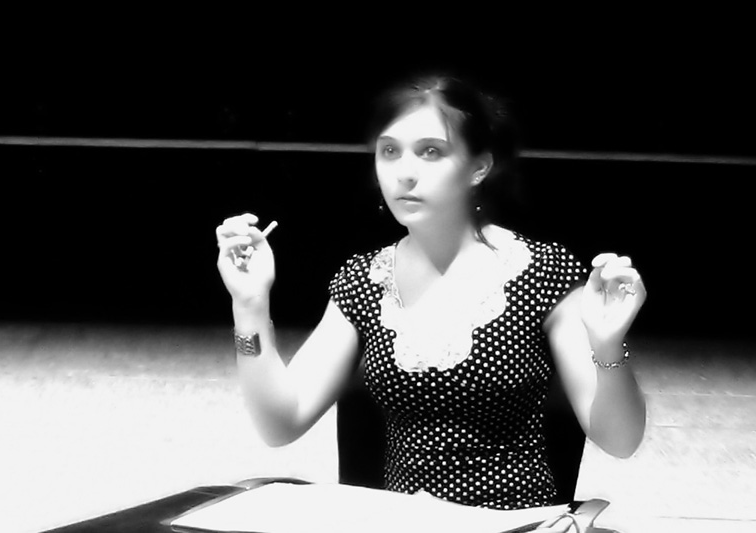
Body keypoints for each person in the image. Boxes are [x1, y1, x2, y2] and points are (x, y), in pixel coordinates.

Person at [215, 73, 647, 511]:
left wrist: (608, 345)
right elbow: (280, 423)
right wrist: (249, 305)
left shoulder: (540, 273)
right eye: (389, 151)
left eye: (431, 152)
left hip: (512, 523)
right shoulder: (363, 280)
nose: (404, 173)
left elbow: (621, 440)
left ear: (479, 167)